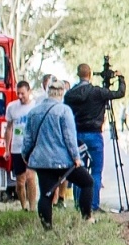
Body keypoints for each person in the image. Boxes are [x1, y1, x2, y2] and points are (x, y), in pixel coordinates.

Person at [19, 79, 93, 229]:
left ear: (48, 93)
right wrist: (76, 157)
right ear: (61, 93)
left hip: (41, 161)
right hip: (63, 161)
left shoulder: (34, 112)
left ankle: (47, 227)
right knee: (87, 182)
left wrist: (25, 155)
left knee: (46, 194)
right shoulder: (64, 111)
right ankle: (87, 216)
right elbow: (69, 138)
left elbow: (28, 139)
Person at [62, 61, 126, 213]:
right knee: (96, 171)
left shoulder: (70, 94)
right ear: (90, 75)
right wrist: (121, 78)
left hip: (77, 135)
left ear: (78, 74)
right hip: (95, 134)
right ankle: (93, 205)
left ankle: (79, 205)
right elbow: (119, 93)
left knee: (79, 170)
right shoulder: (98, 92)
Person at [6, 74, 39, 213]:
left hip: (31, 149)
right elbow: (8, 128)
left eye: (22, 93)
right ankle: (23, 206)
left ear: (29, 92)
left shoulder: (35, 107)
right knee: (20, 182)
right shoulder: (12, 107)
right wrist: (6, 149)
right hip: (16, 148)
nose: (20, 96)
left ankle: (32, 207)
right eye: (18, 93)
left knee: (30, 177)